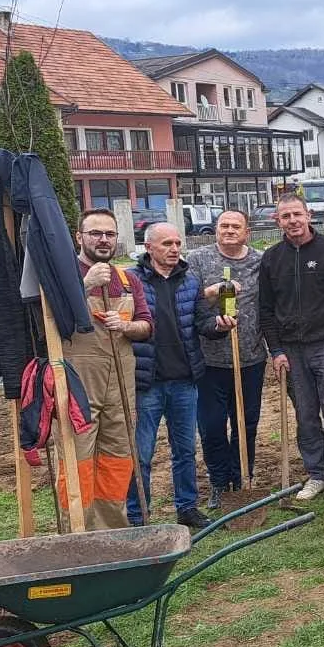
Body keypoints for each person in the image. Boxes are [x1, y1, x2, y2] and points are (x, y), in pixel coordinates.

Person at [257, 194, 324, 503]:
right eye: (286, 216)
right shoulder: (272, 258)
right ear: (278, 221)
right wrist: (276, 350)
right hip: (291, 350)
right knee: (305, 415)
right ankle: (317, 473)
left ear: (308, 215)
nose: (292, 221)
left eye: (297, 214)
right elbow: (266, 310)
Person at [127, 223, 227, 529]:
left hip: (184, 380)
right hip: (147, 382)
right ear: (149, 248)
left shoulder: (189, 281)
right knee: (142, 453)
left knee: (185, 450)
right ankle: (138, 515)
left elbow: (202, 321)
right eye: (167, 244)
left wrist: (218, 326)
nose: (174, 249)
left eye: (177, 243)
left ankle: (187, 507)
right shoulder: (132, 281)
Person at [66, 209, 153, 530]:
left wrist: (128, 327)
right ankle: (79, 528)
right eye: (95, 233)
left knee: (117, 455)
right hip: (80, 379)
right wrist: (85, 285)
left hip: (120, 380)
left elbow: (147, 325)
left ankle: (113, 529)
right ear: (79, 237)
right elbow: (49, 319)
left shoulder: (128, 280)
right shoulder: (64, 276)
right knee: (79, 455)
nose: (103, 240)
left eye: (110, 234)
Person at [187, 210, 266, 508]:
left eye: (236, 226)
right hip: (210, 361)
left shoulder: (260, 261)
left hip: (250, 359)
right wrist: (211, 293)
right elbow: (188, 301)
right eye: (224, 226)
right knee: (212, 426)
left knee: (246, 423)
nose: (230, 230)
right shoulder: (198, 259)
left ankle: (243, 477)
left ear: (247, 232)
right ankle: (219, 482)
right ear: (216, 230)